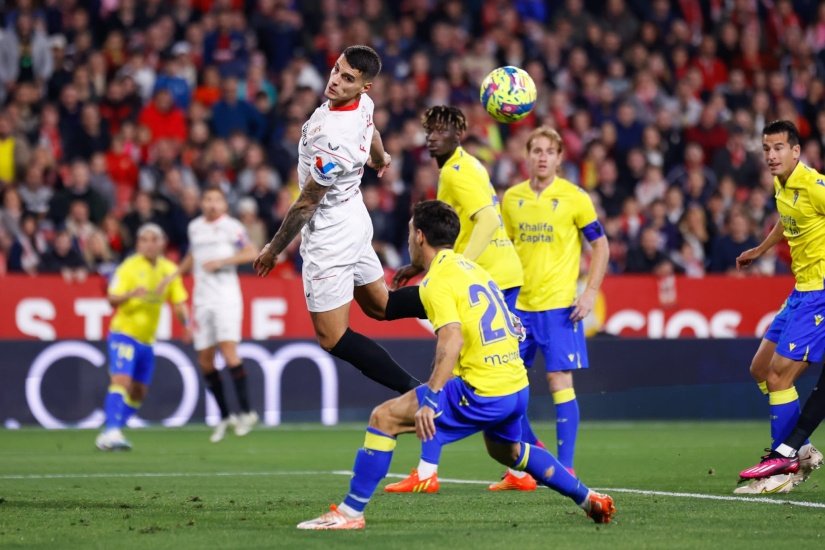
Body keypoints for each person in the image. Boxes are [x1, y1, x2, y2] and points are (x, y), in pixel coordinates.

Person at [295, 200, 615, 530]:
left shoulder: (438, 282)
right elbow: (510, 324)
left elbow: (451, 339)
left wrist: (431, 396)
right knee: (508, 452)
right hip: (515, 385)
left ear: (419, 237)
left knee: (384, 418)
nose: (408, 240)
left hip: (483, 389)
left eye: (409, 233)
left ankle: (349, 514)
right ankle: (588, 497)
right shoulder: (471, 269)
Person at [253, 45, 422, 395]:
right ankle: (464, 295)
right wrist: (381, 157)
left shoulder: (334, 138)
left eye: (348, 79)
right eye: (336, 71)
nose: (336, 82)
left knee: (332, 337)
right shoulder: (363, 104)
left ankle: (420, 393)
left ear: (364, 87)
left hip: (330, 231)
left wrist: (273, 249)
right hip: (354, 215)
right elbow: (372, 130)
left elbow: (306, 204)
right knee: (382, 305)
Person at [385, 105, 535, 493]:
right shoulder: (460, 167)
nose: (432, 136)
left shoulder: (458, 170)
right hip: (495, 275)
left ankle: (427, 472)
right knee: (492, 377)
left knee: (452, 365)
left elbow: (488, 219)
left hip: (490, 276)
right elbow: (456, 229)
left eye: (441, 130)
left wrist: (455, 267)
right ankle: (520, 469)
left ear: (458, 135)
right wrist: (422, 267)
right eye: (429, 129)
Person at [499, 127, 609, 483]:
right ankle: (525, 461)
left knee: (558, 379)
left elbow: (601, 246)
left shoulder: (575, 197)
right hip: (519, 308)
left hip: (561, 307)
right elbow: (505, 251)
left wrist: (590, 291)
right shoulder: (512, 199)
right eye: (537, 150)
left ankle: (566, 467)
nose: (543, 156)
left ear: (560, 157)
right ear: (527, 155)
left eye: (550, 151)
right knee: (504, 385)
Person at [732, 120, 825, 493]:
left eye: (778, 148)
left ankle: (782, 471)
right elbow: (787, 224)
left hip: (820, 294)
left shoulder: (815, 186)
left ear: (796, 151)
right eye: (766, 149)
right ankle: (799, 450)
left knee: (779, 377)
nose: (771, 155)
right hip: (799, 291)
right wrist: (759, 250)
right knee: (759, 369)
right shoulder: (781, 185)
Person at [95, 223, 190, 451]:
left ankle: (113, 427)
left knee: (139, 393)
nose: (149, 244)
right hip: (124, 334)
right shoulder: (128, 268)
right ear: (138, 244)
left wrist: (186, 325)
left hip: (147, 341)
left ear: (162, 243)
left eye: (153, 239)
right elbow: (111, 299)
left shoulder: (169, 270)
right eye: (144, 240)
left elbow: (178, 302)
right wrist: (130, 294)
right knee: (121, 381)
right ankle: (112, 431)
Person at [178, 187, 259, 443]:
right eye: (207, 199)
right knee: (204, 360)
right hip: (201, 300)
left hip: (226, 299)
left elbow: (251, 252)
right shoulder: (195, 227)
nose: (211, 204)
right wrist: (174, 274)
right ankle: (225, 416)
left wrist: (222, 261)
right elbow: (193, 255)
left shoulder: (231, 227)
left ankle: (247, 412)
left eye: (216, 200)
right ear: (202, 203)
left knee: (228, 352)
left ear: (224, 205)